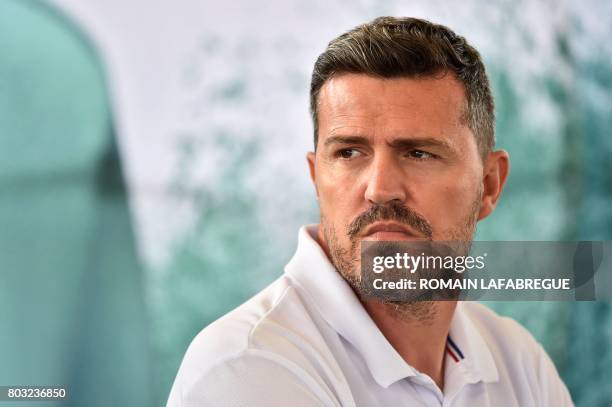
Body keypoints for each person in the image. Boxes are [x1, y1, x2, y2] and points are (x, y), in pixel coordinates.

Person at [167, 16, 573, 406]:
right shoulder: (248, 364)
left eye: (418, 153)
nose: (380, 190)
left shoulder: (520, 364)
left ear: (488, 185)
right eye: (349, 153)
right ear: (316, 178)